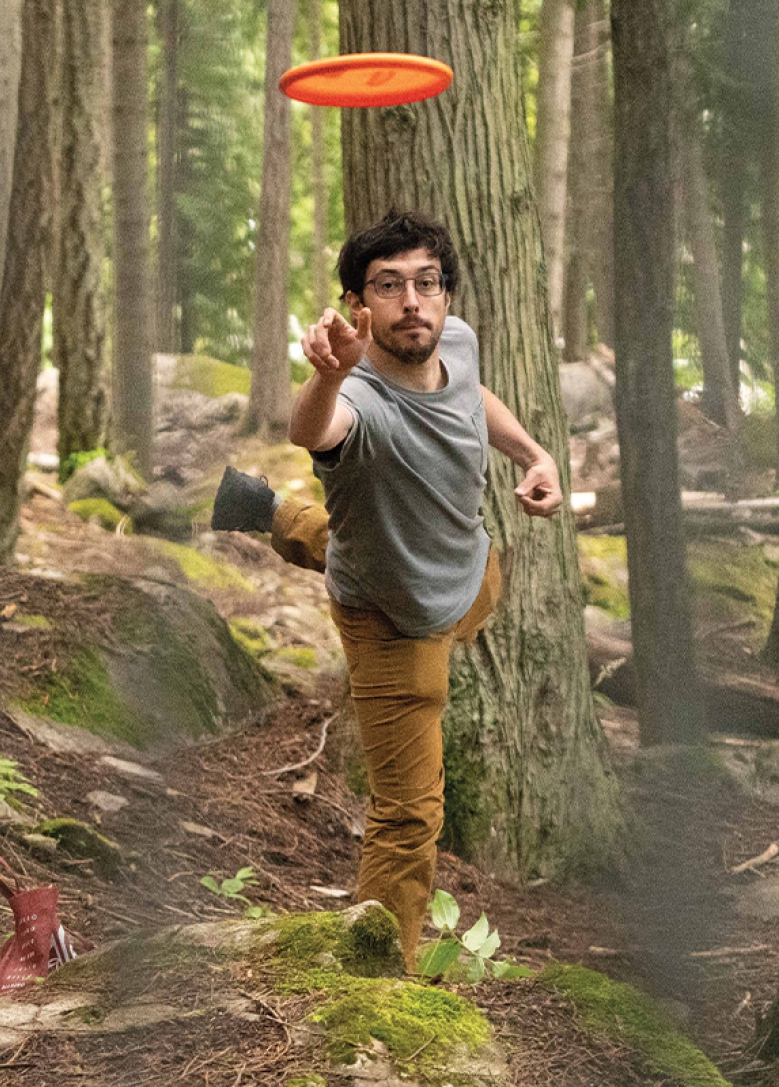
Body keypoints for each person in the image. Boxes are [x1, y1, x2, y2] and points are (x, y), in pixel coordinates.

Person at [211, 210, 563, 966]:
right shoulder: (361, 401)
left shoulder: (455, 340)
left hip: (468, 571)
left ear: (445, 295)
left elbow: (472, 394)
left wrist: (533, 454)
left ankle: (265, 508)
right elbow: (317, 430)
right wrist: (331, 370)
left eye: (427, 284)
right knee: (409, 815)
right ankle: (378, 979)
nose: (413, 301)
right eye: (390, 286)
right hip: (393, 620)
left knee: (356, 537)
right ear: (357, 304)